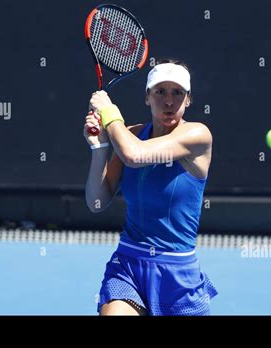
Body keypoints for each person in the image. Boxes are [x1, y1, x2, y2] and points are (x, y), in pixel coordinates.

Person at [84, 59, 218, 315]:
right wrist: (100, 146)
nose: (169, 101)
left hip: (177, 276)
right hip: (128, 266)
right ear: (147, 97)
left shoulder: (198, 135)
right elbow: (96, 202)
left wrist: (109, 113)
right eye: (160, 92)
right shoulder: (130, 135)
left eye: (177, 93)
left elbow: (135, 155)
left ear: (188, 100)